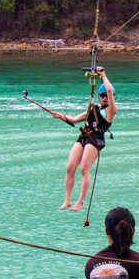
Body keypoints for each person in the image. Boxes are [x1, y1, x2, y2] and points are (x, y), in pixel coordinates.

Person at [52, 67, 117, 211]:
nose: (105, 97)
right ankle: (67, 200)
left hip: (95, 138)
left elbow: (110, 91)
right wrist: (61, 116)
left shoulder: (111, 110)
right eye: (102, 95)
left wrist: (103, 76)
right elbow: (74, 120)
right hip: (84, 135)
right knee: (70, 168)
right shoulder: (93, 108)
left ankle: (80, 202)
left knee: (84, 169)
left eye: (106, 95)